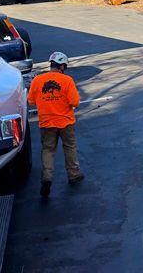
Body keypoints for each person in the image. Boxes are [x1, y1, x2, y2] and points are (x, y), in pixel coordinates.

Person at [28, 51, 84, 197]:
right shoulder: (67, 81)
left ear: (51, 64)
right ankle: (73, 174)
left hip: (46, 123)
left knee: (48, 150)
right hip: (65, 122)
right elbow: (75, 102)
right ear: (62, 66)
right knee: (69, 147)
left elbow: (31, 101)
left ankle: (47, 177)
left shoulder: (38, 80)